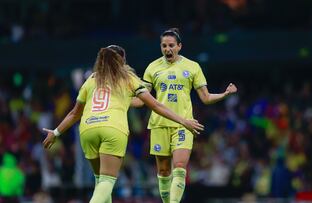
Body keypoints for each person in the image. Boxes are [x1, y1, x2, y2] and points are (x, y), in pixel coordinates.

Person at [42, 45, 204, 203]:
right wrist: (183, 120)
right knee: (107, 181)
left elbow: (74, 113)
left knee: (100, 181)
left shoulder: (91, 79)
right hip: (113, 128)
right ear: (121, 61)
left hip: (87, 129)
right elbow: (155, 105)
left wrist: (55, 132)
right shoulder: (127, 77)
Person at [131, 28, 237, 203]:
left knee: (179, 166)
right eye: (164, 46)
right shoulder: (152, 68)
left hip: (184, 124)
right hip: (159, 124)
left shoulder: (193, 67)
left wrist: (225, 94)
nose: (167, 49)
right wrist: (122, 101)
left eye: (171, 45)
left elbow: (206, 97)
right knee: (164, 171)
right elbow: (143, 100)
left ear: (179, 46)